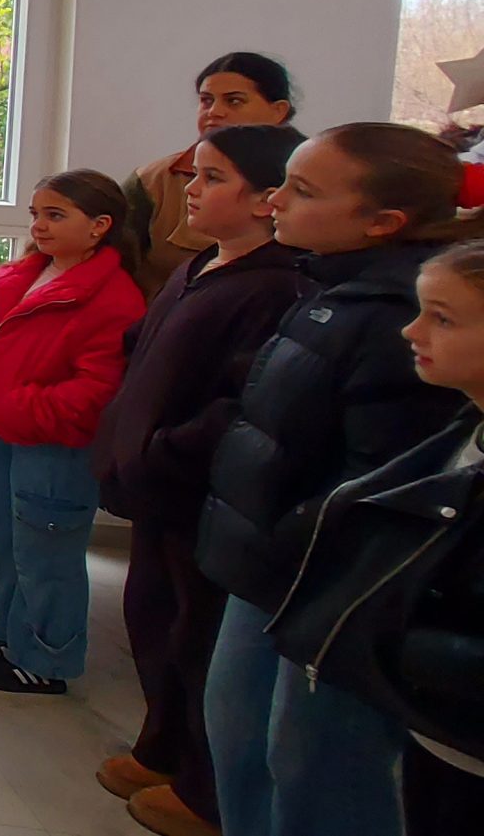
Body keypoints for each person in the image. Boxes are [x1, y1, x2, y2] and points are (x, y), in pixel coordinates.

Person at [197, 123, 473, 836]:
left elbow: (381, 484)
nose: (275, 200)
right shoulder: (333, 284)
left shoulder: (403, 317)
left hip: (325, 583)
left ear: (383, 221)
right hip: (273, 566)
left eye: (303, 190)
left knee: (313, 773)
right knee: (241, 743)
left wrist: (288, 537)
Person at [88, 125, 311, 836]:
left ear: (266, 198)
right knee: (153, 618)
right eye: (194, 175)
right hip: (153, 487)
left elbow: (243, 401)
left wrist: (163, 451)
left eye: (214, 178)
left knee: (200, 635)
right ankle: (161, 747)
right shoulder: (199, 266)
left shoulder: (278, 284)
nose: (191, 189)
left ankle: (205, 788)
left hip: (200, 493)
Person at [268, 238, 484, 836]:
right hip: (434, 726)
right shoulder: (463, 428)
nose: (411, 332)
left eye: (442, 319)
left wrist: (392, 640)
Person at [0, 170, 146, 695]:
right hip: (5, 432)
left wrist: (19, 406)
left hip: (55, 445)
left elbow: (97, 390)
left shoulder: (114, 297)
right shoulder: (23, 276)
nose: (39, 225)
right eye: (36, 214)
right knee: (6, 542)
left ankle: (47, 661)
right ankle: (9, 637)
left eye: (56, 215)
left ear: (100, 226)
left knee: (47, 554)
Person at [124, 54, 297, 298]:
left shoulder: (313, 178)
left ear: (278, 110)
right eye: (206, 101)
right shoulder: (155, 180)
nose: (214, 112)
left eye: (234, 101)